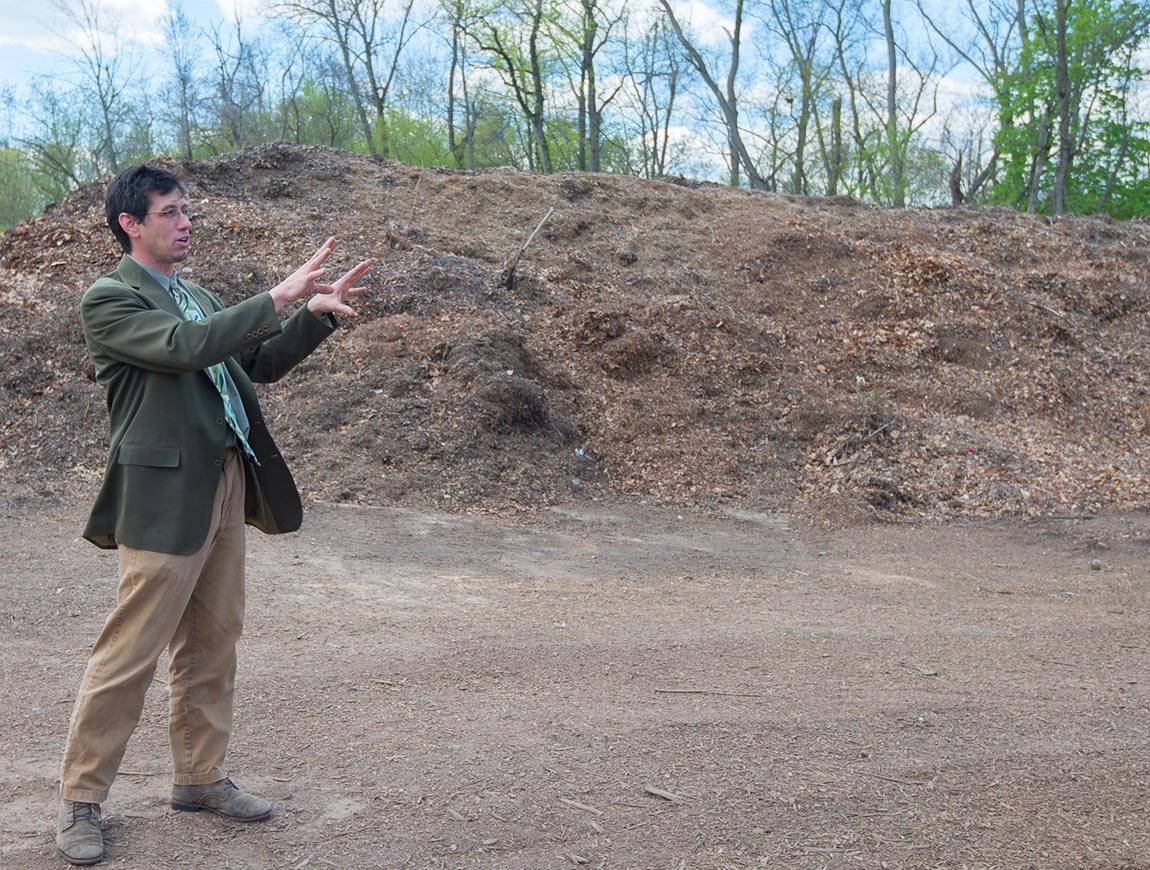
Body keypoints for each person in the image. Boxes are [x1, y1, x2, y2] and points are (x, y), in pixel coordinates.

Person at [54, 163, 371, 865]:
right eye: (169, 211)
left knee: (213, 641)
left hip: (227, 480)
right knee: (129, 654)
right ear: (130, 224)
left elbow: (253, 363)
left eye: (186, 210)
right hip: (164, 498)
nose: (185, 221)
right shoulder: (109, 299)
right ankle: (81, 800)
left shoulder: (194, 293)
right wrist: (277, 292)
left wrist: (310, 317)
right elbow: (186, 350)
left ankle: (199, 779)